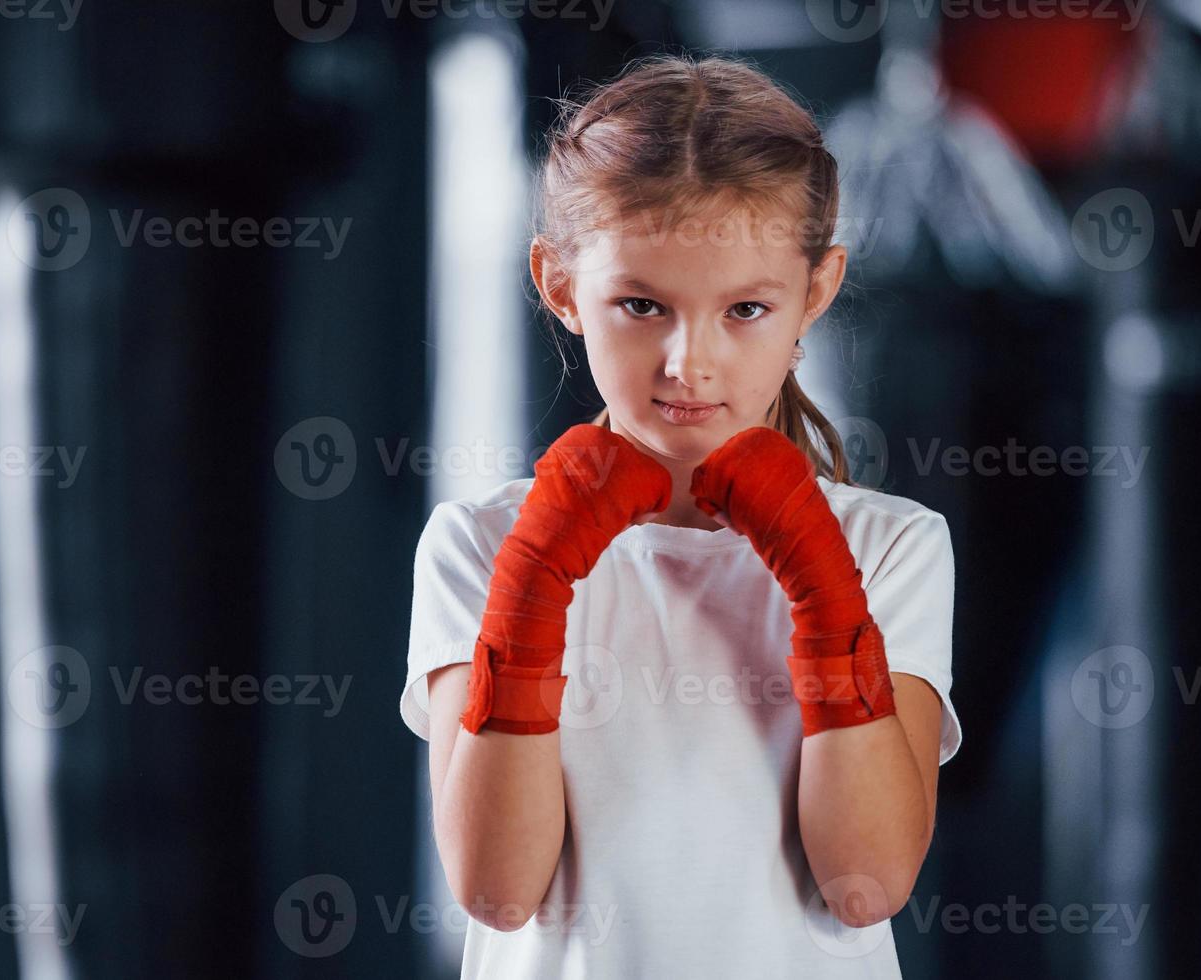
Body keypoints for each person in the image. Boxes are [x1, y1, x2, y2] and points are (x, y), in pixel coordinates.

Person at [400, 52, 961, 978]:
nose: (687, 362)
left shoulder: (888, 546)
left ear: (815, 293)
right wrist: (535, 581)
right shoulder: (481, 546)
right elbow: (499, 890)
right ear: (559, 286)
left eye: (745, 308)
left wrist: (819, 577)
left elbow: (863, 883)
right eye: (640, 305)